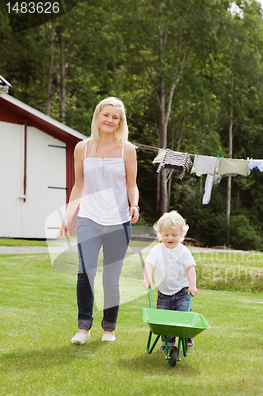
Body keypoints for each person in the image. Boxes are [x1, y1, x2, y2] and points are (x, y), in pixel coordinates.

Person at [59, 97, 139, 344]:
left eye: (115, 117)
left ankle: (109, 329)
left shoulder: (127, 149)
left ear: (120, 122)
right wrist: (68, 215)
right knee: (85, 271)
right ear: (97, 116)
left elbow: (132, 185)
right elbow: (78, 186)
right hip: (89, 218)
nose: (110, 120)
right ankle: (83, 328)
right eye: (106, 115)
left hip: (118, 221)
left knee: (112, 277)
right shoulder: (82, 148)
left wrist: (134, 204)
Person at [142, 211, 197, 350]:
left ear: (181, 234)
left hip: (182, 292)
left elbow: (190, 269)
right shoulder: (157, 250)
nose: (170, 238)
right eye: (166, 235)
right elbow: (148, 264)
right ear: (160, 233)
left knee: (184, 315)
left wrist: (192, 285)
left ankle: (186, 337)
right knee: (163, 320)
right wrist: (147, 278)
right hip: (163, 293)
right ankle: (168, 342)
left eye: (174, 235)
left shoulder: (183, 251)